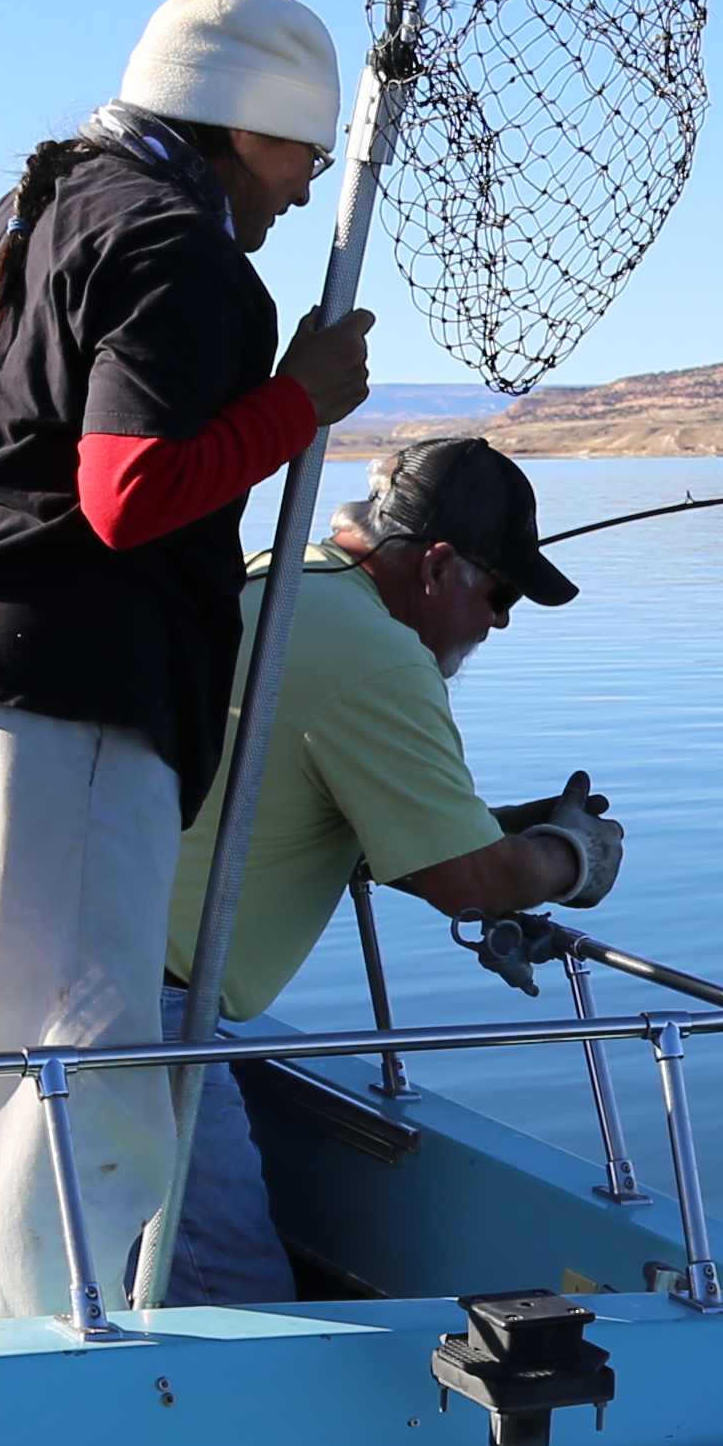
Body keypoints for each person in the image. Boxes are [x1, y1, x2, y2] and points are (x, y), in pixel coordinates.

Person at [0, 0, 377, 1325]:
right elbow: (128, 495)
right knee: (79, 1077)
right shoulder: (177, 246)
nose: (302, 186)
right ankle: (60, 1387)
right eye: (300, 155)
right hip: (63, 711)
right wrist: (298, 403)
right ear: (242, 126)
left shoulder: (8, 227)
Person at [153, 438, 623, 1302]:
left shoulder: (284, 577)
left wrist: (503, 827)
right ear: (439, 566)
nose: (502, 620)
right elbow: (468, 882)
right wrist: (575, 857)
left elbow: (354, 815)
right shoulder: (376, 657)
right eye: (502, 590)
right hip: (149, 1013)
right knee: (236, 1304)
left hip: (97, 962)